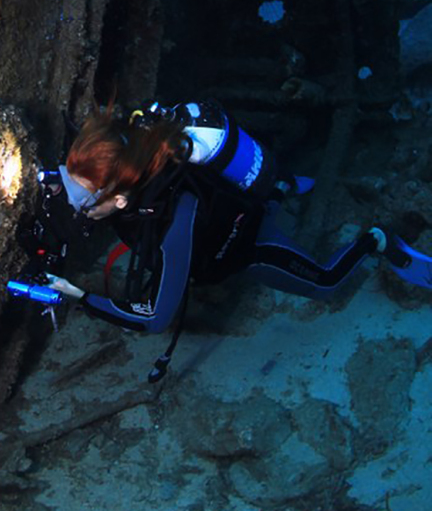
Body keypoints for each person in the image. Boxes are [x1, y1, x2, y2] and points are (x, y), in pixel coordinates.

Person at [44, 101, 432, 375]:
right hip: (226, 214)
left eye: (85, 199)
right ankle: (283, 186)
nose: (79, 207)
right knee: (270, 199)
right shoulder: (130, 164)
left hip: (249, 247)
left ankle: (376, 241)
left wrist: (80, 297)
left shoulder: (172, 224)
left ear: (121, 198)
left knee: (326, 283)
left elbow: (156, 320)